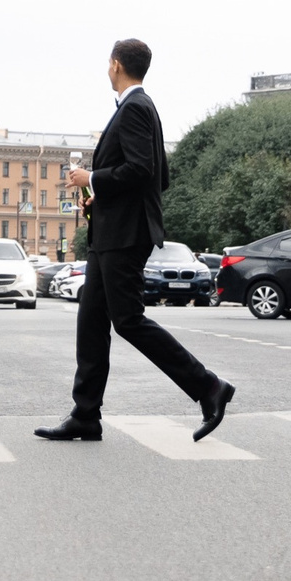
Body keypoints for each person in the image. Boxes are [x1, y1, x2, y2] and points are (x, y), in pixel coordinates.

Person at [36, 39, 233, 444]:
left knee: (127, 320)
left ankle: (209, 386)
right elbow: (161, 176)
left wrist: (91, 178)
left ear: (116, 65)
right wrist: (101, 197)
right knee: (92, 322)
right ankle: (85, 415)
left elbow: (143, 170)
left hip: (124, 236)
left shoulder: (134, 108)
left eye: (108, 64)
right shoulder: (142, 107)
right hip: (113, 230)